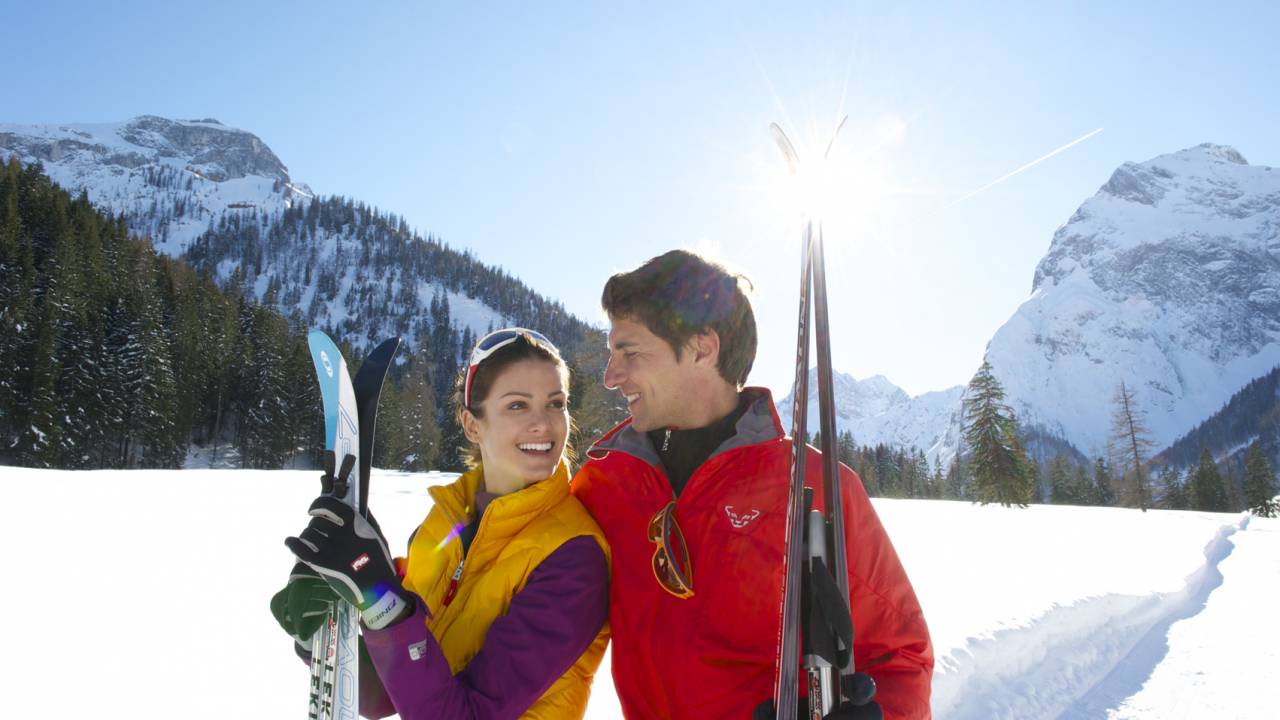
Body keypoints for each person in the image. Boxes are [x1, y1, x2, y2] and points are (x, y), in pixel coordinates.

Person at [570, 250, 934, 719]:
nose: (610, 376)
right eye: (611, 355)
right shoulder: (602, 483)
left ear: (703, 348)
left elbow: (899, 655)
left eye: (631, 353)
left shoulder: (818, 488)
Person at [271, 328, 611, 719]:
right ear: (472, 424)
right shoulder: (445, 526)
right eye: (518, 405)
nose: (545, 424)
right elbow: (389, 693)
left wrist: (384, 603)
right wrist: (320, 633)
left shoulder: (575, 558)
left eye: (556, 403)